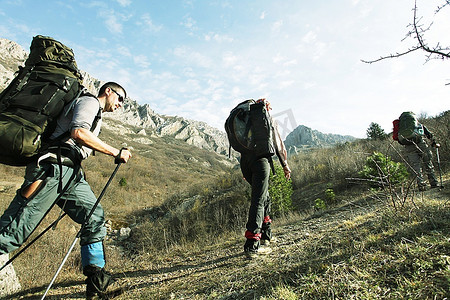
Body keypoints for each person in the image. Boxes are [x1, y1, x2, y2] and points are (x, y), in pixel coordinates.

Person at [0, 82, 132, 299]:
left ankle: (97, 285)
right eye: (120, 99)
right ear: (108, 91)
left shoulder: (96, 113)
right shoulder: (89, 102)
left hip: (70, 173)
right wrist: (115, 152)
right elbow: (79, 132)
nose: (120, 105)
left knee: (94, 217)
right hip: (52, 169)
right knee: (14, 231)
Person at [240, 98, 291, 259]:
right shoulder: (268, 119)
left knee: (264, 197)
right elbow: (278, 144)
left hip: (245, 162)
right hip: (261, 162)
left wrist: (246, 167)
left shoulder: (244, 120)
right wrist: (285, 165)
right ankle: (251, 245)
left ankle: (266, 236)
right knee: (259, 200)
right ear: (265, 107)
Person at [404, 121, 439, 191]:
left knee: (416, 167)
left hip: (408, 147)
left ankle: (421, 186)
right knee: (428, 163)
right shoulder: (417, 124)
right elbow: (428, 133)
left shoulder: (403, 128)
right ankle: (434, 183)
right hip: (421, 144)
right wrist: (434, 143)